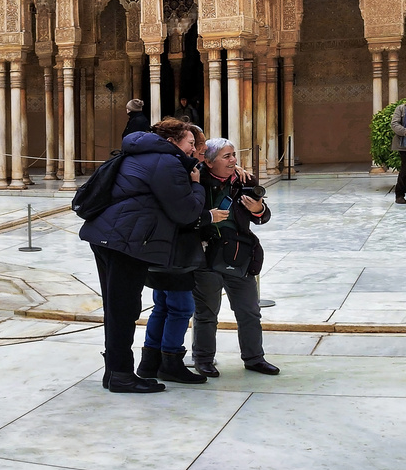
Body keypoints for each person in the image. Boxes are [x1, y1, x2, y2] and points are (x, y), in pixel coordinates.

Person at [79, 117, 206, 394]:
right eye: (190, 142)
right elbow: (185, 211)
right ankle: (122, 375)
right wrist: (197, 185)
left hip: (107, 235)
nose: (193, 149)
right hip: (127, 240)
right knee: (124, 310)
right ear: (172, 141)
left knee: (116, 309)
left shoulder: (139, 153)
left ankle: (114, 372)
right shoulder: (166, 161)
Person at [191, 139, 280, 376]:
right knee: (206, 312)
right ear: (208, 161)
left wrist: (257, 209)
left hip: (239, 254)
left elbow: (263, 217)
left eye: (233, 155)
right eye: (226, 156)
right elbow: (186, 214)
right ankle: (203, 359)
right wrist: (207, 217)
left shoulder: (244, 180)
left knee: (249, 310)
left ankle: (254, 358)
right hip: (206, 254)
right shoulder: (196, 180)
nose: (233, 161)